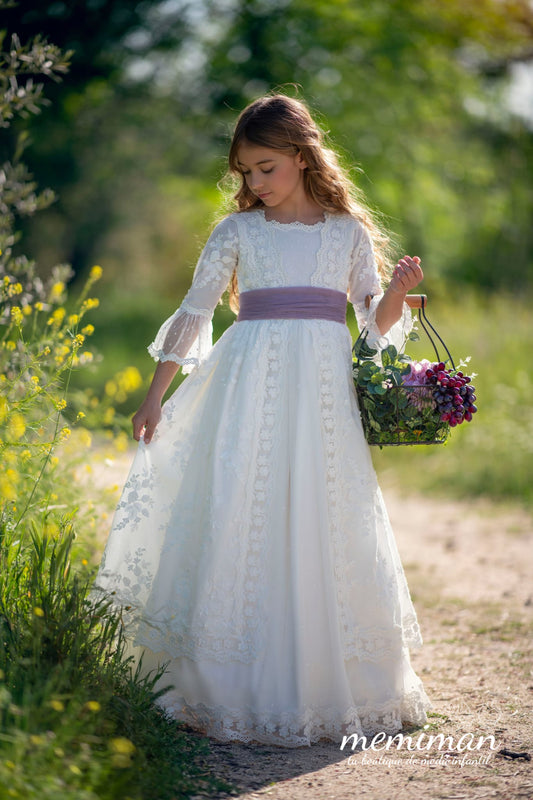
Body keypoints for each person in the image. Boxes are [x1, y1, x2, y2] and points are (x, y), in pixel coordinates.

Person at [92, 94, 432, 748]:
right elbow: (195, 312)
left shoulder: (346, 234)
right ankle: (222, 682)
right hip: (247, 385)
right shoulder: (236, 232)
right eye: (244, 171)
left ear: (302, 158)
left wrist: (393, 293)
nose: (253, 183)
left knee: (322, 513)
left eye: (265, 167)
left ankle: (333, 682)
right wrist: (155, 395)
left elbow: (372, 330)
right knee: (241, 509)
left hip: (323, 393)